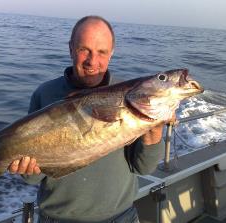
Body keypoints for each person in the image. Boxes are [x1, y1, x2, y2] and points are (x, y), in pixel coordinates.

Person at [9, 16, 173, 223]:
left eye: (101, 52)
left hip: (121, 217)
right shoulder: (45, 94)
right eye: (84, 50)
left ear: (111, 53)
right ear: (71, 49)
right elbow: (33, 178)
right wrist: (27, 169)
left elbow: (143, 168)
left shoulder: (133, 97)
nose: (92, 61)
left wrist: (154, 131)